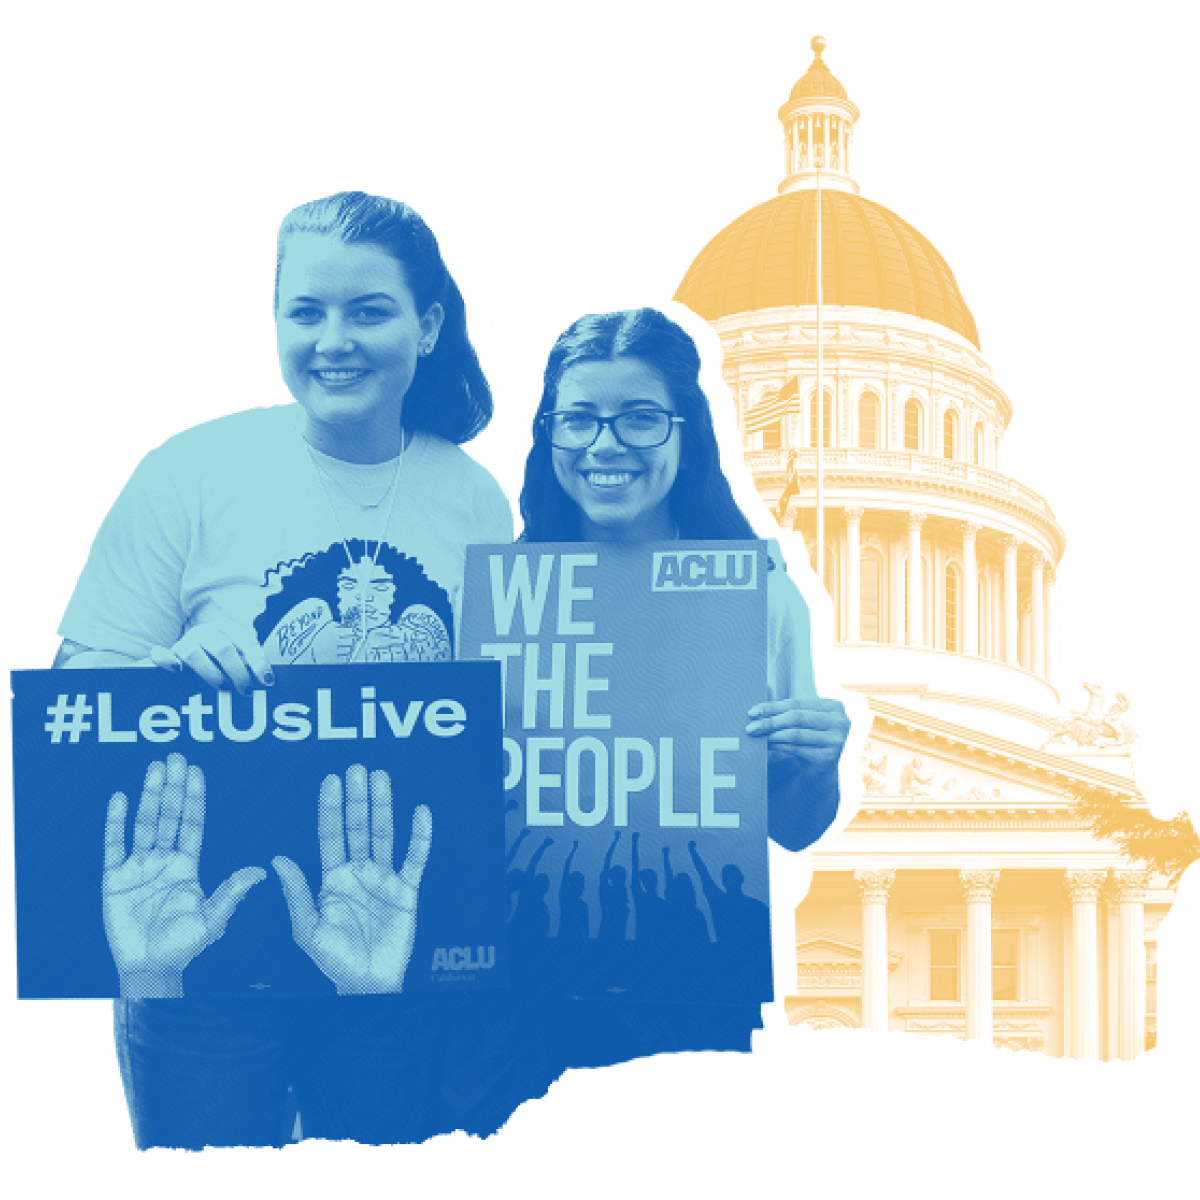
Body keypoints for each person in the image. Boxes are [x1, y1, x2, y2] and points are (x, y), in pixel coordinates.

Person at [50, 187, 514, 1149]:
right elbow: (77, 694)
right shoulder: (190, 471)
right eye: (307, 312)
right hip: (205, 948)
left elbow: (485, 726)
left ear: (428, 325)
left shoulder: (475, 500)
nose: (332, 339)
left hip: (387, 949)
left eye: (368, 311)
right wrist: (164, 670)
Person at [449, 304, 851, 1128]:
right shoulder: (489, 597)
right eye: (578, 420)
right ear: (550, 434)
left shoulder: (758, 595)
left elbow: (793, 825)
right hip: (516, 997)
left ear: (686, 432)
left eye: (638, 418)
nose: (605, 447)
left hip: (687, 989)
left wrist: (815, 758)